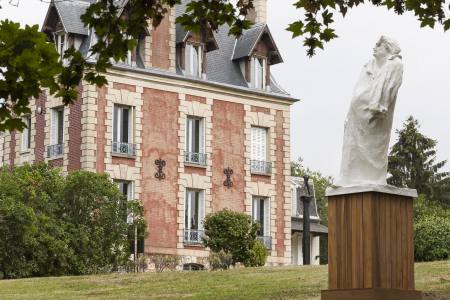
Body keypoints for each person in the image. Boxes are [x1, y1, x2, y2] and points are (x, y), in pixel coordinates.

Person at [336, 36, 403, 187]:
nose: (374, 48)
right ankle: (347, 176)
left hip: (377, 114)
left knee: (375, 147)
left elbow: (389, 90)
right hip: (357, 114)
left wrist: (378, 108)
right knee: (351, 144)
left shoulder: (395, 65)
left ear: (387, 49)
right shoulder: (368, 65)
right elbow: (357, 89)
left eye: (378, 46)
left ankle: (373, 178)